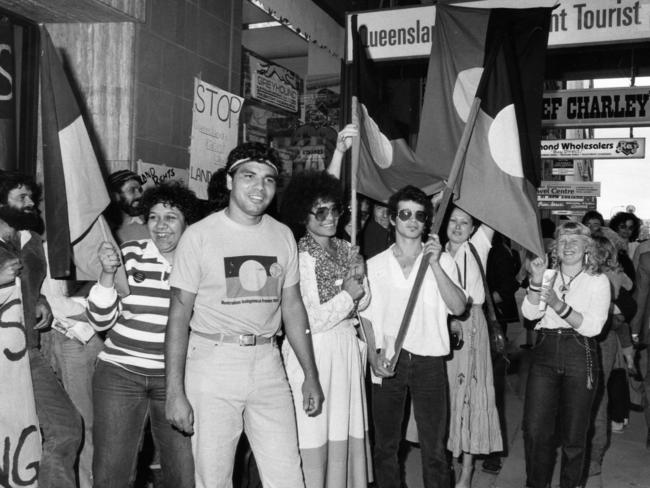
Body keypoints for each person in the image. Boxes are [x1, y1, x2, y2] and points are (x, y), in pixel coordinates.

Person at [164, 142, 324, 488]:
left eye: (268, 180)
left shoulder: (282, 235)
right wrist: (174, 390)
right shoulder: (199, 236)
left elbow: (293, 307)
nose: (259, 187)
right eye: (249, 176)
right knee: (214, 478)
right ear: (229, 181)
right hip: (212, 364)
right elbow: (178, 316)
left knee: (288, 477)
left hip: (268, 362)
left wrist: (310, 374)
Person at [86, 182, 201, 487]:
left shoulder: (200, 262)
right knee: (112, 475)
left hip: (176, 381)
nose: (160, 226)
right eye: (153, 217)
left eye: (170, 218)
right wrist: (108, 274)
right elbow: (99, 319)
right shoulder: (131, 254)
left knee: (182, 472)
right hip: (119, 375)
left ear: (187, 222)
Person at [360, 185, 467, 488]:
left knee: (434, 448)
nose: (412, 220)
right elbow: (366, 320)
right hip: (389, 361)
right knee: (385, 446)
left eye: (419, 215)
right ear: (393, 219)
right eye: (405, 214)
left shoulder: (442, 261)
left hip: (430, 363)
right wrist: (373, 358)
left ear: (427, 221)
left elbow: (459, 306)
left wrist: (434, 264)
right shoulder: (375, 265)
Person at [280, 169, 372, 487]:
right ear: (303, 214)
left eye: (335, 209)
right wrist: (348, 293)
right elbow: (311, 319)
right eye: (321, 211)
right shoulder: (299, 255)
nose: (331, 217)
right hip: (313, 352)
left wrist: (361, 282)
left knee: (342, 430)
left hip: (345, 350)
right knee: (313, 431)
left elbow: (363, 304)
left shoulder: (348, 248)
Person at [0, 170, 82, 488]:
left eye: (31, 196)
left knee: (66, 427)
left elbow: (30, 282)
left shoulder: (31, 240)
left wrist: (40, 298)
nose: (31, 203)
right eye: (22, 197)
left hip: (27, 352)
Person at [522, 221, 610, 488]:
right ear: (555, 248)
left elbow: (593, 327)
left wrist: (558, 305)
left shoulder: (598, 280)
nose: (568, 245)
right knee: (536, 432)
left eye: (575, 240)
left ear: (587, 247)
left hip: (579, 354)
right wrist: (537, 282)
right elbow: (529, 314)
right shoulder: (547, 276)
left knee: (574, 436)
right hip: (545, 352)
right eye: (562, 241)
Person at [444, 206, 502, 488]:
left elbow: (491, 203)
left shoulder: (478, 245)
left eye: (464, 222)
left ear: (473, 228)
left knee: (470, 395)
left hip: (471, 323)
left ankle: (466, 469)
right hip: (440, 326)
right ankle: (446, 459)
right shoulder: (436, 249)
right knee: (446, 395)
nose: (457, 226)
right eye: (453, 220)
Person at [105, 169, 148, 244]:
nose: (140, 195)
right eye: (132, 190)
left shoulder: (150, 223)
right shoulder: (105, 229)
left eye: (140, 189)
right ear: (115, 196)